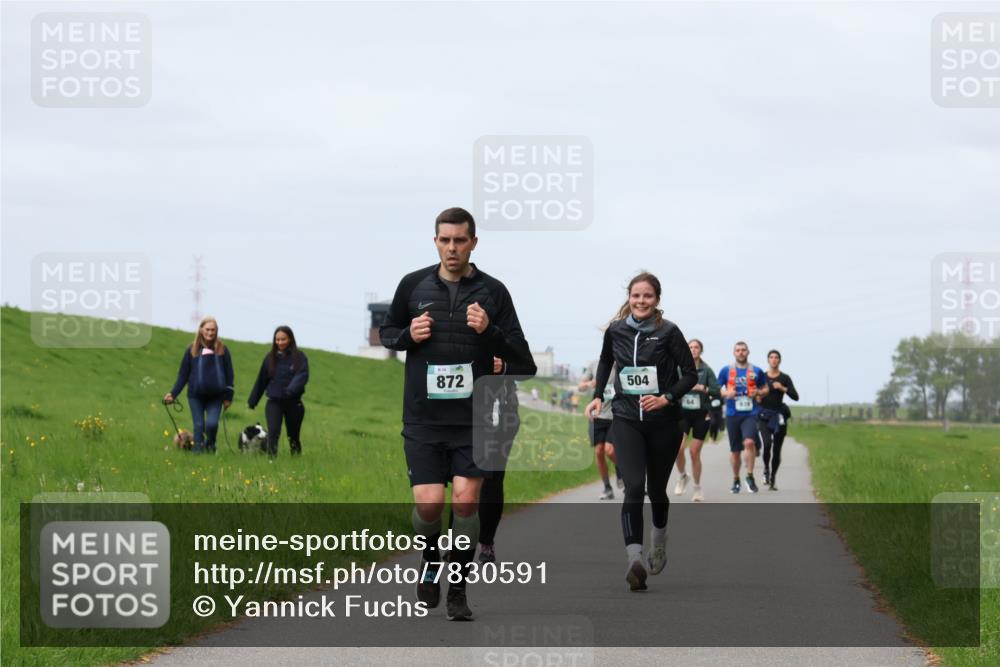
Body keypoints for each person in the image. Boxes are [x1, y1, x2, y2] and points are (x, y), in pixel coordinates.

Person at [380, 206, 535, 621]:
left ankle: (458, 588)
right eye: (445, 240)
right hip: (424, 419)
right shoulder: (412, 285)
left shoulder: (494, 292)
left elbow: (524, 358)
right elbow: (388, 334)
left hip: (475, 421)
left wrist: (490, 332)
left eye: (460, 240)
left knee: (466, 504)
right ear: (435, 242)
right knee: (429, 506)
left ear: (473, 243)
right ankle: (431, 560)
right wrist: (407, 336)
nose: (452, 248)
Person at [585, 272, 697, 592]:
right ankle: (634, 559)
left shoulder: (669, 332)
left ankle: (658, 541)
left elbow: (688, 375)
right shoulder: (617, 331)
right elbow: (606, 361)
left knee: (657, 491)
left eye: (647, 296)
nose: (641, 301)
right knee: (634, 487)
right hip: (625, 419)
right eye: (636, 296)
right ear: (629, 298)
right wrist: (597, 395)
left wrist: (666, 398)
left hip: (664, 423)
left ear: (657, 300)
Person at [476, 356, 525, 564]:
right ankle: (457, 542)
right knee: (463, 479)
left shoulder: (505, 329)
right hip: (463, 412)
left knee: (492, 479)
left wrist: (505, 365)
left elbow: (527, 367)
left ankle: (486, 542)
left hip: (502, 415)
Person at [164, 316, 234, 454]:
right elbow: (183, 375)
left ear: (217, 331)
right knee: (199, 426)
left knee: (212, 424)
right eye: (207, 329)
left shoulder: (223, 350)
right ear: (201, 330)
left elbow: (229, 375)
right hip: (195, 396)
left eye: (213, 330)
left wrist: (228, 397)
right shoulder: (192, 349)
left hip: (216, 397)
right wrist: (172, 394)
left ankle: (211, 446)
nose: (210, 333)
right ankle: (197, 452)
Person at [247, 326, 310, 457]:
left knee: (293, 435)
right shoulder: (270, 358)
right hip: (274, 402)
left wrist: (290, 391)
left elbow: (302, 376)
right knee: (273, 432)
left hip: (294, 403)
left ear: (290, 339)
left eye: (283, 339)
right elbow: (261, 380)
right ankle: (271, 460)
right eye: (277, 340)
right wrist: (252, 401)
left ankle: (296, 458)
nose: (280, 342)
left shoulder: (299, 357)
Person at [717, 342, 769, 494]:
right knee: (735, 451)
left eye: (743, 350)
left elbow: (766, 388)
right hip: (733, 414)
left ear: (748, 352)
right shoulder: (726, 370)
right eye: (738, 350)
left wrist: (758, 392)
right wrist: (727, 393)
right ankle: (736, 479)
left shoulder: (756, 370)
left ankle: (750, 476)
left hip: (750, 413)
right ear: (734, 353)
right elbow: (716, 389)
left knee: (750, 442)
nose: (741, 352)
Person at [673, 339, 720, 502]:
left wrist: (704, 388)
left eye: (696, 347)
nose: (693, 350)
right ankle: (682, 476)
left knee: (694, 452)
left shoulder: (706, 370)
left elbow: (717, 391)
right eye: (690, 347)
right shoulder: (679, 368)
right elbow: (670, 387)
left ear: (701, 350)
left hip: (701, 415)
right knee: (678, 449)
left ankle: (697, 488)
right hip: (683, 414)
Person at [758, 349, 799, 490]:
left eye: (776, 357)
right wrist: (759, 395)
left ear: (779, 361)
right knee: (767, 444)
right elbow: (754, 394)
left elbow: (795, 396)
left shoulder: (785, 378)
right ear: (768, 360)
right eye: (771, 357)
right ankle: (765, 469)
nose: (774, 360)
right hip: (763, 415)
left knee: (777, 450)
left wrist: (782, 388)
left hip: (779, 416)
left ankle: (773, 478)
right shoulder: (761, 376)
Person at [584, 365, 622, 499]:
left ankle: (621, 470)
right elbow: (580, 386)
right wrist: (590, 383)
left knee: (610, 450)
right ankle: (607, 487)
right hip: (597, 416)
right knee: (599, 451)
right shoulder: (595, 365)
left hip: (615, 417)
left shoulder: (622, 363)